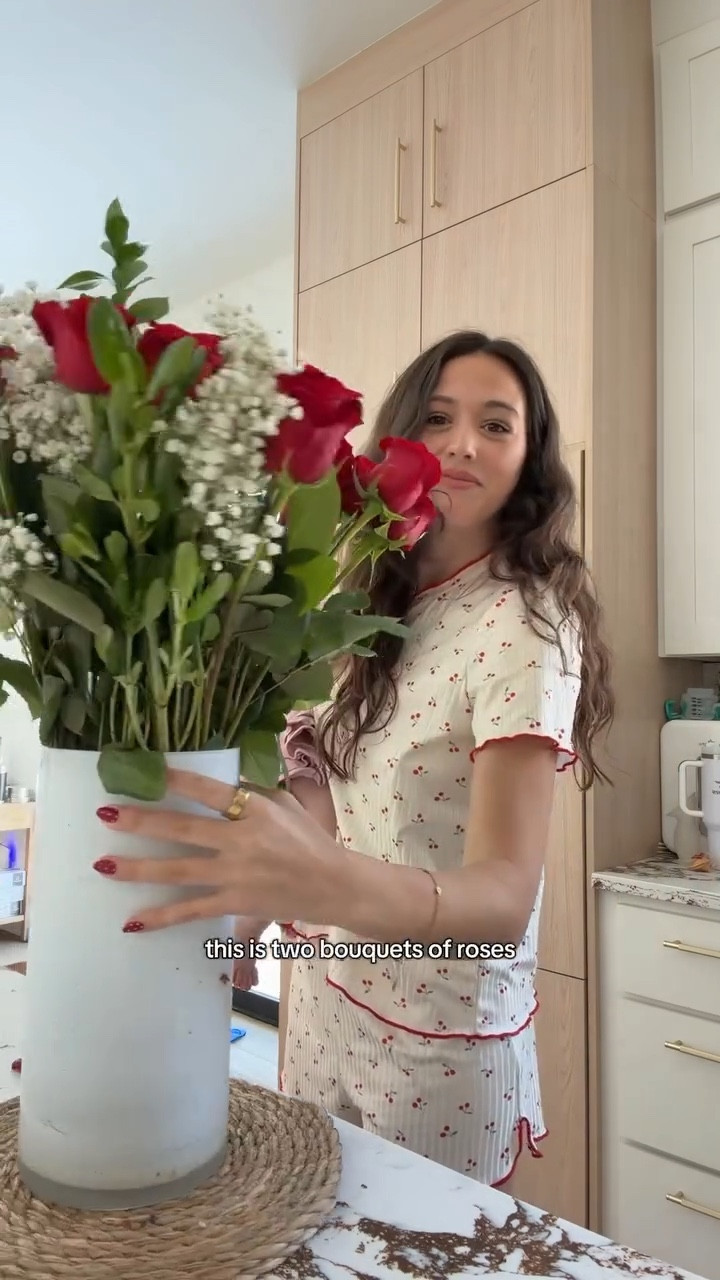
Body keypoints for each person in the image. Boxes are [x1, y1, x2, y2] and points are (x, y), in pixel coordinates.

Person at [94, 331, 613, 1190]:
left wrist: (318, 882)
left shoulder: (525, 620)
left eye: (497, 425)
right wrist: (240, 922)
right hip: (327, 995)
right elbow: (336, 794)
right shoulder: (368, 599)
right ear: (401, 437)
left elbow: (502, 899)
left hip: (438, 1038)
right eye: (440, 418)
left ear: (530, 460)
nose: (462, 444)